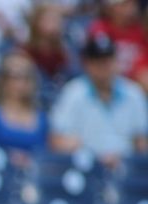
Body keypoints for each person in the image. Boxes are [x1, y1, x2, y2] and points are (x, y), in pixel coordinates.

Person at [50, 33, 148, 167]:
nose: (103, 67)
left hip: (125, 168)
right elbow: (57, 140)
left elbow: (141, 141)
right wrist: (92, 156)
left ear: (116, 61)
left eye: (107, 60)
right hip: (86, 168)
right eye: (98, 61)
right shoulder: (73, 93)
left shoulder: (133, 93)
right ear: (87, 64)